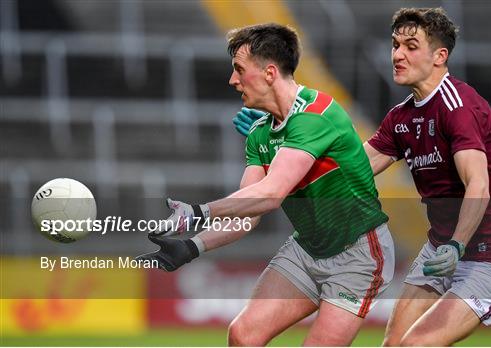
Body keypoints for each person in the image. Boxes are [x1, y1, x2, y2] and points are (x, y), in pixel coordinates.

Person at [233, 8, 491, 346]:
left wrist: (457, 245)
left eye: (411, 46)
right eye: (394, 44)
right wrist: (278, 141)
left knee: (414, 345)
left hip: (490, 254)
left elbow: (479, 184)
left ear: (439, 56)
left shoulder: (457, 107)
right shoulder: (400, 117)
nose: (397, 54)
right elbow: (346, 170)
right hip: (439, 247)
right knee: (392, 345)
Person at [138, 23, 395, 346]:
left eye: (239, 70)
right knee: (243, 335)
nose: (233, 81)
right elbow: (249, 211)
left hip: (358, 255)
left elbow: (271, 195)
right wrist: (192, 247)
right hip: (307, 250)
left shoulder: (316, 115)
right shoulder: (260, 134)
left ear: (270, 73)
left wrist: (198, 212)